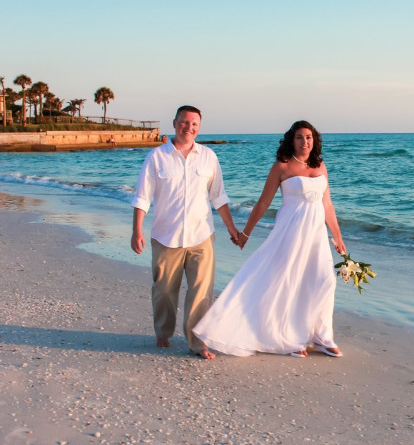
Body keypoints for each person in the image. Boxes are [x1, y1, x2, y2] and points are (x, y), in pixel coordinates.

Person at [193, 120, 346, 358]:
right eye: (299, 137)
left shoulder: (320, 165)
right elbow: (264, 202)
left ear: (314, 140)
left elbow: (327, 204)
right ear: (291, 140)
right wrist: (245, 233)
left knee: (324, 281)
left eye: (308, 137)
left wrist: (337, 236)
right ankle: (291, 338)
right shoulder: (282, 166)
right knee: (289, 281)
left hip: (316, 234)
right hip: (291, 231)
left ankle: (322, 336)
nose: (304, 141)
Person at [130, 105, 239, 360]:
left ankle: (197, 342)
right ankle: (163, 331)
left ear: (199, 127)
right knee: (165, 290)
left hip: (202, 235)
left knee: (201, 291)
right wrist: (137, 230)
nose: (188, 127)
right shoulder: (157, 157)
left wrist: (232, 228)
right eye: (184, 122)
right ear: (175, 123)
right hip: (166, 236)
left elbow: (218, 196)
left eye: (194, 124)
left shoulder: (209, 157)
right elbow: (142, 197)